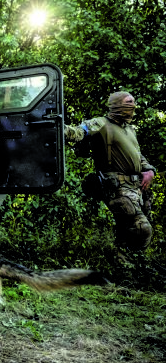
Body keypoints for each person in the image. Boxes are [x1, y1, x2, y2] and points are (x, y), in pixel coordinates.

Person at [64, 91, 157, 276]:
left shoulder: (130, 129)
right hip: (117, 186)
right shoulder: (101, 123)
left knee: (127, 231)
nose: (133, 105)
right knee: (141, 228)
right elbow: (78, 132)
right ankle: (126, 264)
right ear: (115, 104)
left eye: (133, 102)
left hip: (137, 187)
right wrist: (57, 127)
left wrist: (150, 170)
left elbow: (138, 156)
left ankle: (125, 268)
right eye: (128, 102)